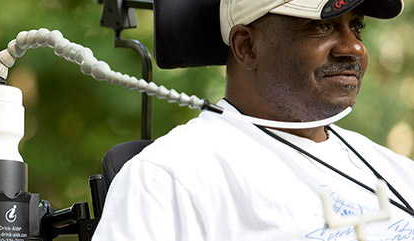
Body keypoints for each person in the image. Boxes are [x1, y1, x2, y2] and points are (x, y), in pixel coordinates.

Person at [92, 0, 414, 240]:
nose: (354, 47)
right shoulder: (169, 177)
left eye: (356, 27)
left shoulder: (401, 174)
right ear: (246, 47)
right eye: (321, 27)